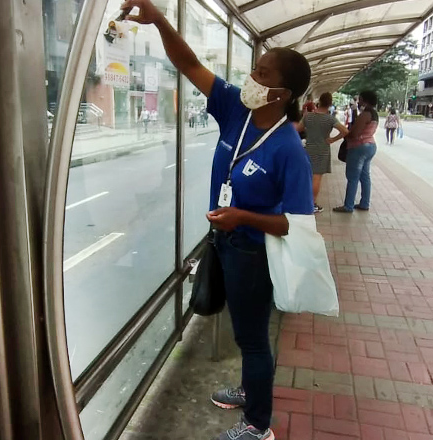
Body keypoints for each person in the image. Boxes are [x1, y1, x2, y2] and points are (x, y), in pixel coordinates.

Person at [122, 1, 313, 439]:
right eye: (255, 68)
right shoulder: (235, 110)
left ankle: (258, 425)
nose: (252, 77)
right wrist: (160, 20)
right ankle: (250, 389)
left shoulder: (288, 150)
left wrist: (242, 216)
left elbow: (296, 223)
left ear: (281, 94)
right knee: (243, 330)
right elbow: (188, 62)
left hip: (252, 253)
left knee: (252, 338)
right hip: (225, 244)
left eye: (263, 74)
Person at [297, 92, 348, 213]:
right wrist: (333, 139)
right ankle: (312, 204)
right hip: (322, 150)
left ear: (319, 101)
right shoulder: (330, 119)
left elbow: (298, 129)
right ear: (330, 104)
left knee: (307, 176)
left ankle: (303, 201)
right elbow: (345, 131)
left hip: (308, 148)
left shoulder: (308, 116)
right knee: (317, 178)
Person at [333, 91, 378, 213]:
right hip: (370, 146)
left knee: (353, 177)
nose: (359, 102)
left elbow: (354, 133)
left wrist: (347, 134)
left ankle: (348, 206)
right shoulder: (374, 114)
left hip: (359, 147)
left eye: (360, 99)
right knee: (365, 176)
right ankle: (364, 203)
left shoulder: (365, 114)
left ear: (365, 100)